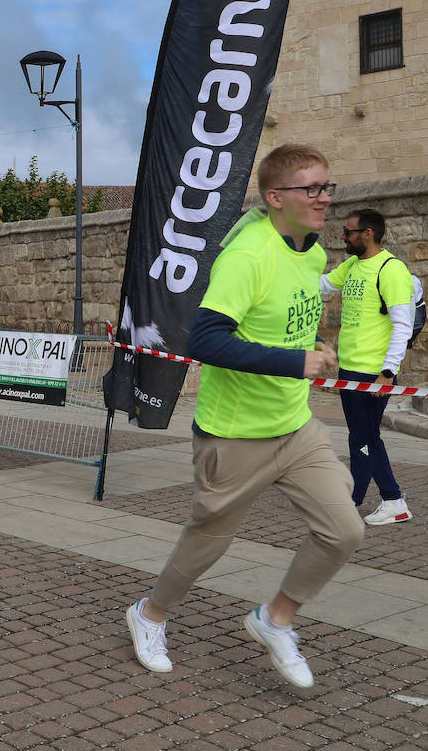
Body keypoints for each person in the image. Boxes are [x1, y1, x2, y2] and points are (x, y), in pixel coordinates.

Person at [124, 143, 363, 690]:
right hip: (234, 435)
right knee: (207, 542)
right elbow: (205, 340)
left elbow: (283, 324)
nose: (325, 198)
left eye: (328, 186)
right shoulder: (247, 255)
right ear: (275, 197)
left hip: (295, 426)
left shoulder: (309, 250)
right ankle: (150, 614)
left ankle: (274, 619)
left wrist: (316, 348)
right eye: (313, 189)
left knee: (344, 530)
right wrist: (294, 361)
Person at [321, 208, 416, 526]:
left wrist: (388, 371)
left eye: (348, 232)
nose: (343, 237)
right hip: (349, 369)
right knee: (362, 436)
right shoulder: (351, 265)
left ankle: (375, 500)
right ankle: (379, 500)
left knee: (363, 437)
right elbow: (322, 286)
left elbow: (403, 324)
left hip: (374, 372)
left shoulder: (391, 270)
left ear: (368, 233)